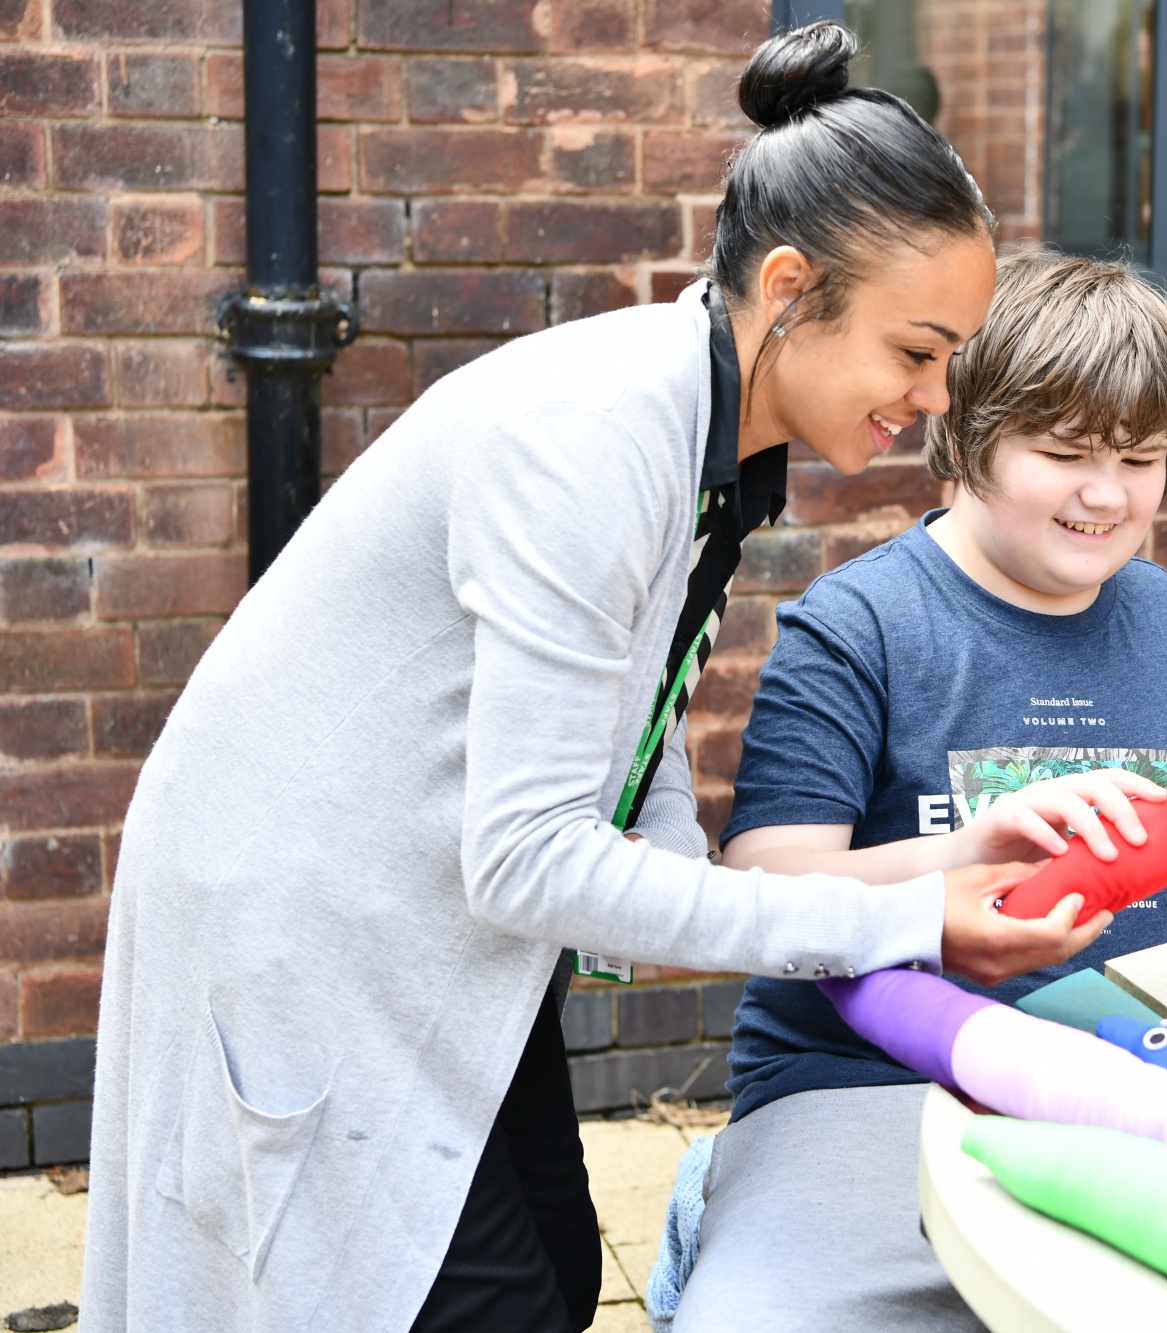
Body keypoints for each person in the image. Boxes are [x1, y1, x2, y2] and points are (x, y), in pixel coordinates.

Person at [79, 25, 1106, 1333]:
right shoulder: (596, 447)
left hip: (438, 926)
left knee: (562, 1272)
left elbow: (658, 835)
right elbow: (533, 863)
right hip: (310, 923)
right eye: (917, 351)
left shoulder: (708, 444)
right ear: (790, 288)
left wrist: (943, 872)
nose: (937, 397)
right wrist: (913, 928)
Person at [666, 249, 1167, 1331]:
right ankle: (726, 1199)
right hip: (870, 1083)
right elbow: (764, 878)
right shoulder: (862, 624)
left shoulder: (1160, 618)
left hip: (1129, 1068)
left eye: (1140, 459)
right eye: (1063, 453)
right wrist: (968, 847)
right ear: (964, 437)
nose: (1106, 495)